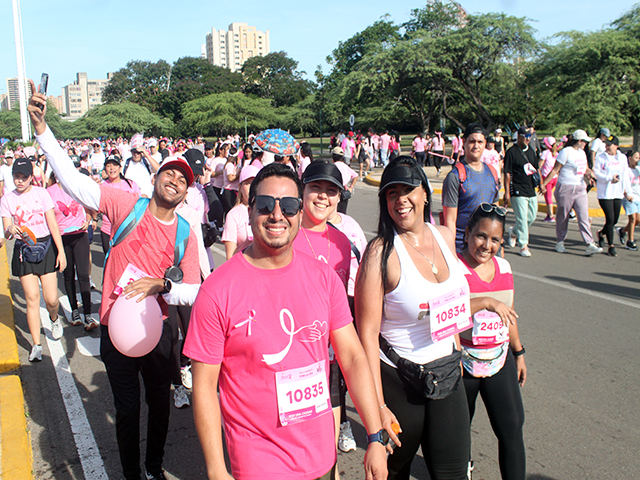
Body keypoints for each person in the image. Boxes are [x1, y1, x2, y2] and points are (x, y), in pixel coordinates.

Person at [28, 82, 201, 480]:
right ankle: (131, 474)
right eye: (170, 172)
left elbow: (192, 290)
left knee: (159, 406)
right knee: (126, 410)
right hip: (113, 327)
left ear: (186, 192)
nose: (175, 180)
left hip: (157, 333)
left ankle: (154, 468)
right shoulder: (126, 204)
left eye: (183, 179)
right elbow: (74, 181)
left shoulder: (185, 233)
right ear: (156, 176)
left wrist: (163, 286)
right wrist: (42, 130)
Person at [184, 163, 387, 480]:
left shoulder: (323, 278)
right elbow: (205, 387)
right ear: (250, 211)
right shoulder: (217, 290)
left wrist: (374, 435)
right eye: (266, 205)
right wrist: (216, 469)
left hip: (321, 456)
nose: (277, 215)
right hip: (259, 464)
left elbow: (351, 356)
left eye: (289, 206)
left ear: (300, 213)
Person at [356, 156, 471, 480]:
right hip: (399, 380)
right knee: (395, 473)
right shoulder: (380, 252)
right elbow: (367, 335)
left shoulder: (444, 237)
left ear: (424, 192)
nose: (400, 200)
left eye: (407, 190)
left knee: (453, 473)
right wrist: (378, 407)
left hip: (447, 372)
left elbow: (452, 302)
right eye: (391, 193)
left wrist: (455, 347)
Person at [458, 204, 527, 480]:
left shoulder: (504, 267)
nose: (487, 246)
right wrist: (485, 301)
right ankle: (462, 469)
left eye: (495, 240)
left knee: (512, 429)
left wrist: (519, 352)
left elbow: (510, 313)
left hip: (500, 359)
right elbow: (444, 314)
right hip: (462, 363)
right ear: (467, 233)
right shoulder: (454, 268)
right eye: (481, 236)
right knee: (459, 432)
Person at [1, 157, 66, 362]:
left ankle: (54, 319)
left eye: (23, 177)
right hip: (24, 250)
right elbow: (7, 231)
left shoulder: (42, 193)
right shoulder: (7, 199)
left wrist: (61, 252)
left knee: (51, 299)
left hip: (45, 247)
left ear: (31, 177)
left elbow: (53, 224)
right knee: (31, 298)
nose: (19, 181)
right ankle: (36, 345)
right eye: (16, 177)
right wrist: (10, 230)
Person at [47, 172, 99, 330]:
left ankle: (88, 315)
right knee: (68, 275)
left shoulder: (77, 188)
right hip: (62, 238)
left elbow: (90, 207)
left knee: (83, 275)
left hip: (80, 235)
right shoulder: (50, 192)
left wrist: (89, 220)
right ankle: (74, 312)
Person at [540, 130, 603, 256]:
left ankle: (589, 243)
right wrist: (544, 184)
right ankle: (560, 242)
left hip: (580, 187)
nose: (586, 144)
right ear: (579, 141)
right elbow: (555, 170)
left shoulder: (582, 153)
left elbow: (585, 168)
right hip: (565, 187)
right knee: (563, 217)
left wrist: (589, 174)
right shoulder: (566, 152)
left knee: (583, 216)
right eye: (584, 141)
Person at [442, 124, 500, 252]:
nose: (476, 146)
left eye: (480, 142)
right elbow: (450, 220)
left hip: (487, 247)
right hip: (462, 248)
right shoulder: (455, 176)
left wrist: (498, 243)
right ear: (464, 142)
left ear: (485, 143)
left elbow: (496, 212)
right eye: (472, 141)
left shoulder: (492, 172)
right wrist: (451, 251)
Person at [503, 126, 540, 257]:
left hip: (530, 189)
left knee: (531, 217)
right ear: (519, 136)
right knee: (522, 218)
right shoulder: (511, 152)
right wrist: (507, 191)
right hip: (517, 189)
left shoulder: (531, 151)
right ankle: (523, 245)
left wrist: (541, 184)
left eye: (529, 137)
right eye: (525, 137)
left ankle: (514, 231)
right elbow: (507, 173)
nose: (527, 139)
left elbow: (536, 168)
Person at [100, 156, 141, 254]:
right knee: (109, 260)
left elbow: (139, 205)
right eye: (108, 166)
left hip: (128, 229)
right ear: (105, 169)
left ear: (120, 168)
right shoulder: (102, 187)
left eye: (115, 165)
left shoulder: (131, 184)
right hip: (108, 230)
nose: (112, 168)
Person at [594, 136, 627, 257]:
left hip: (617, 192)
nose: (607, 147)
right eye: (606, 145)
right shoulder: (601, 157)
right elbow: (597, 173)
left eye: (610, 145)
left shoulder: (622, 158)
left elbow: (625, 174)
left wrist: (627, 191)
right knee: (610, 218)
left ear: (616, 146)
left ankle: (602, 233)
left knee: (615, 219)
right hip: (605, 193)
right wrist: (609, 179)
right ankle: (611, 246)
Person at [221, 165, 258, 259]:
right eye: (247, 183)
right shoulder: (233, 215)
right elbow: (230, 256)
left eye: (255, 183)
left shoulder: (267, 211)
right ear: (240, 187)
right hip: (243, 265)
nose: (252, 187)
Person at [619, 150, 640, 250]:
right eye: (636, 158)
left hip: (638, 197)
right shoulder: (626, 170)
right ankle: (630, 241)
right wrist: (626, 194)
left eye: (639, 158)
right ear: (630, 158)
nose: (637, 160)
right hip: (629, 197)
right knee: (632, 219)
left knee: (637, 220)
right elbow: (623, 183)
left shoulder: (638, 169)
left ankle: (622, 231)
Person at [331, 148, 358, 215]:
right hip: (344, 191)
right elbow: (355, 175)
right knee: (342, 212)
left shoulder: (333, 166)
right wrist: (351, 187)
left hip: (334, 190)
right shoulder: (345, 166)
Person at [539, 137, 559, 222]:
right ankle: (549, 213)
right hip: (555, 177)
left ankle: (551, 215)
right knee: (549, 195)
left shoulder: (545, 153)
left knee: (548, 197)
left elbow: (539, 164)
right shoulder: (556, 153)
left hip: (546, 177)